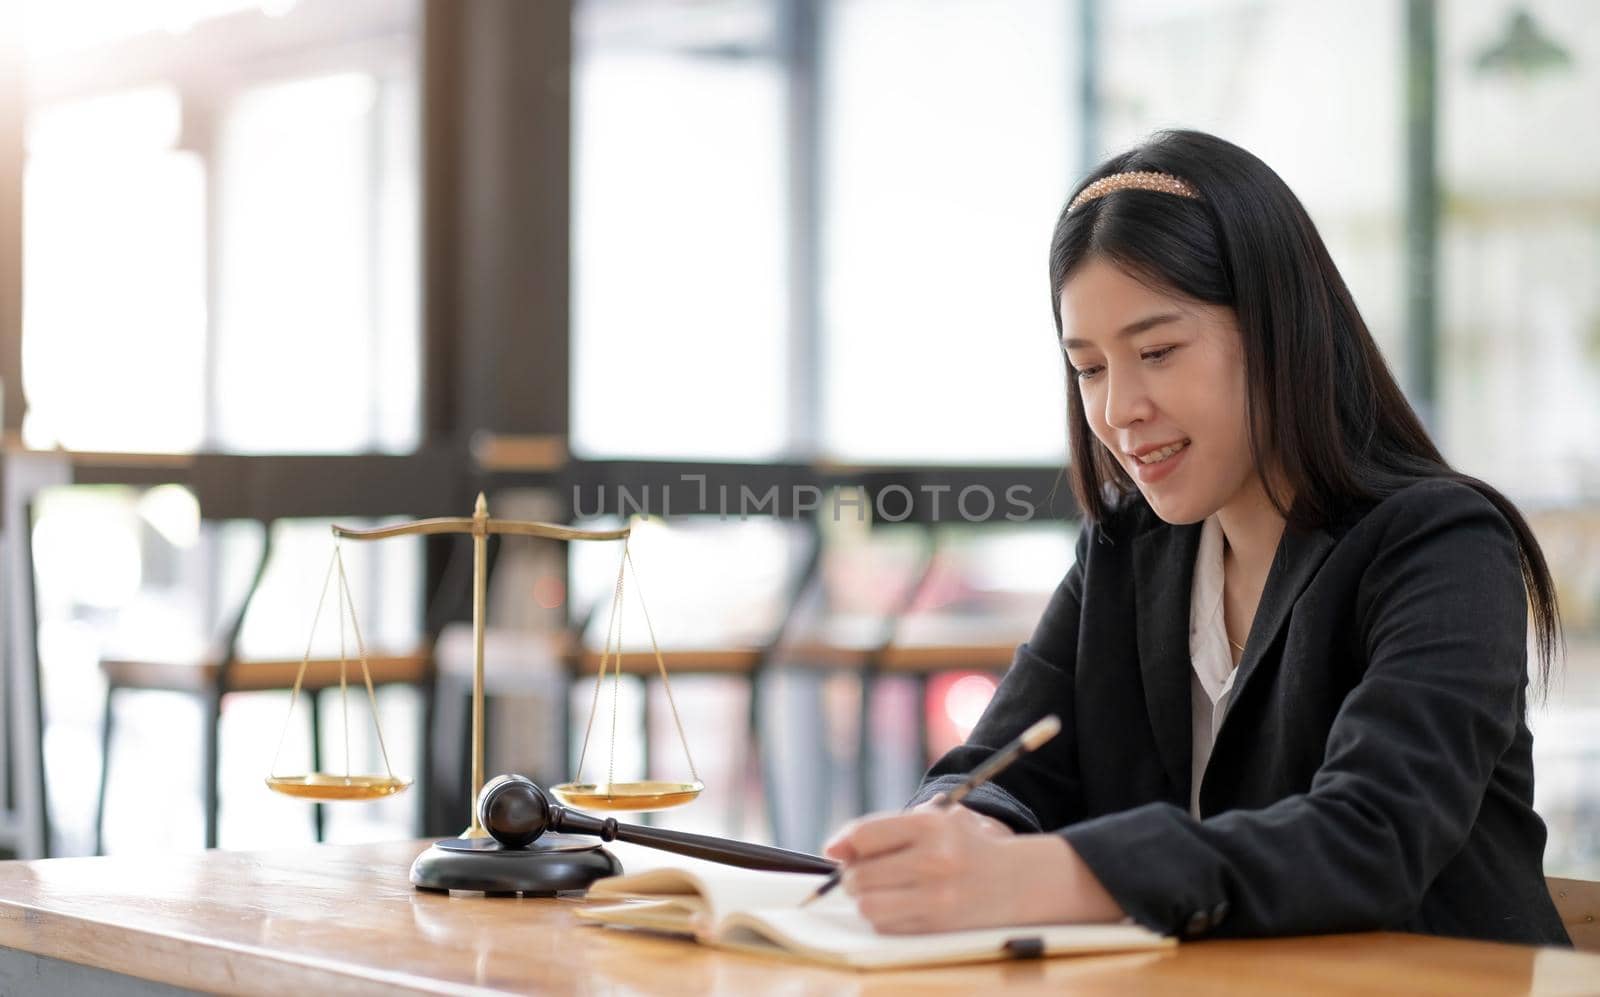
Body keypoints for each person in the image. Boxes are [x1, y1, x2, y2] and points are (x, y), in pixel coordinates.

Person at [822, 129, 1571, 946]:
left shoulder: (1442, 548)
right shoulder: (1126, 550)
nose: (1118, 410)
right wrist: (961, 833)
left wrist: (1047, 874)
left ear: (1278, 329)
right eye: (1091, 367)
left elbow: (1370, 839)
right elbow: (999, 768)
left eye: (1157, 351)